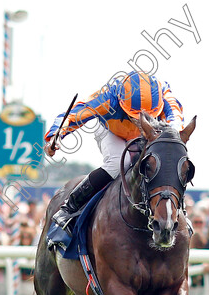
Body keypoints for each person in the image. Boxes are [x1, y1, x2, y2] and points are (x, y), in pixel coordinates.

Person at [44, 71, 185, 235]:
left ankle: (175, 210)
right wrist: (56, 135)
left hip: (150, 131)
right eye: (135, 116)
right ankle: (71, 206)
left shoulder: (164, 95)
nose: (140, 121)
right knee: (118, 162)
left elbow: (176, 119)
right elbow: (75, 114)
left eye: (147, 115)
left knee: (163, 159)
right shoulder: (108, 97)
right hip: (110, 130)